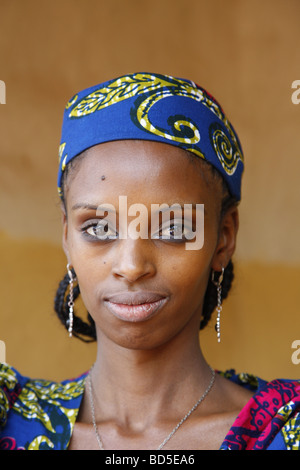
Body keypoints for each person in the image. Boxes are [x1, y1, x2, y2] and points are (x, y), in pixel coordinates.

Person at [0, 72, 299, 450]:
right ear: (66, 236)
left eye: (173, 229)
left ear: (223, 237)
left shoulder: (284, 433)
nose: (131, 265)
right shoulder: (10, 421)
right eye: (98, 227)